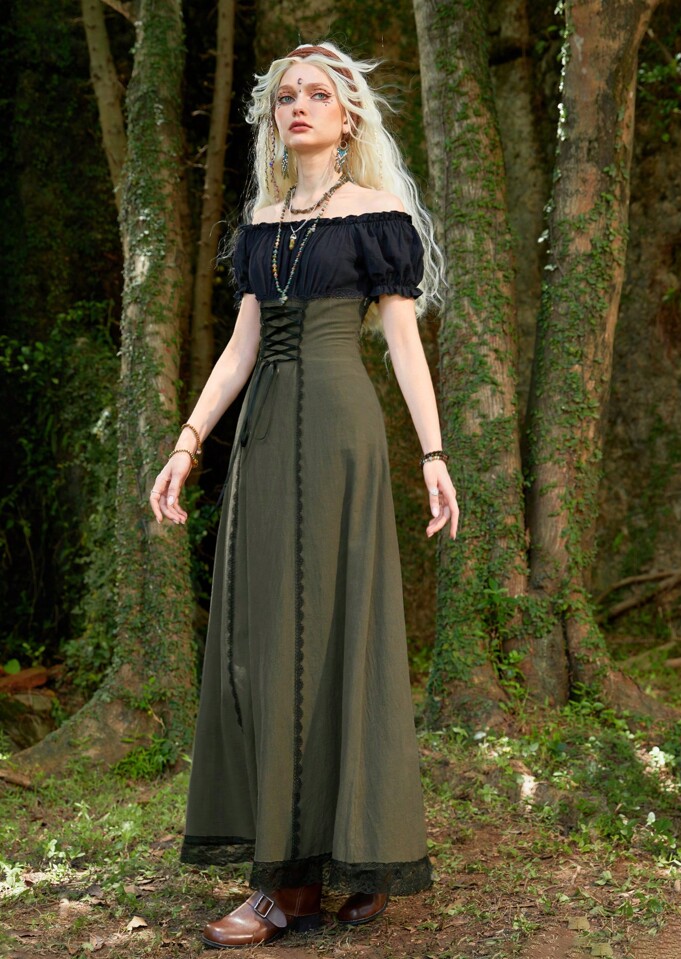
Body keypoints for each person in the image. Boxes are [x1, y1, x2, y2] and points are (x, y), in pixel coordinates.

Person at [149, 41, 459, 949]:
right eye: (287, 95)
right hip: (264, 435)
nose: (299, 106)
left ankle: (323, 873)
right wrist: (186, 443)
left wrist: (433, 452)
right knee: (267, 640)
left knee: (335, 634)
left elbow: (403, 342)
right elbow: (241, 348)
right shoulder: (262, 218)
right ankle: (295, 871)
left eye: (318, 94)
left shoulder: (376, 214)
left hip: (339, 432)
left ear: (348, 115)